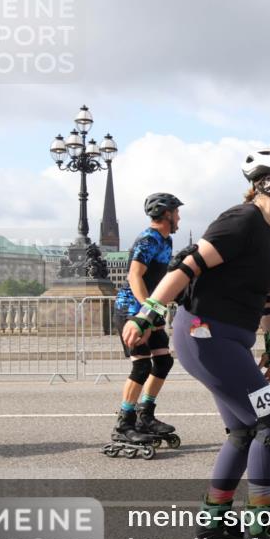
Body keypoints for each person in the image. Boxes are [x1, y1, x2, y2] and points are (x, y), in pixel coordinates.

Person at [121, 148, 270, 539]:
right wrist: (149, 313)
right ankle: (264, 530)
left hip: (227, 341)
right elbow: (186, 266)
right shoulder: (242, 219)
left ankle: (215, 526)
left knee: (244, 429)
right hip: (205, 336)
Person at [106, 193, 183, 459]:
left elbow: (162, 277)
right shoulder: (148, 239)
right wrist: (145, 312)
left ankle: (145, 416)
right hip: (132, 309)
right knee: (141, 365)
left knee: (163, 362)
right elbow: (134, 276)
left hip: (151, 308)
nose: (179, 217)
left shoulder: (167, 240)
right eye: (177, 213)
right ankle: (124, 423)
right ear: (167, 214)